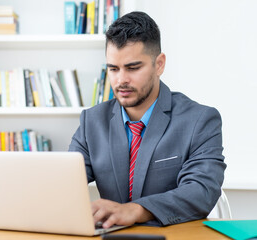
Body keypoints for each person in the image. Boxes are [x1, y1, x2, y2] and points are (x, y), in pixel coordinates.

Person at [69, 11, 226, 228]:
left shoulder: (200, 120)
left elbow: (201, 191)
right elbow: (66, 183)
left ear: (159, 64)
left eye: (133, 68)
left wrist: (135, 210)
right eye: (113, 69)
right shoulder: (91, 121)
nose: (121, 80)